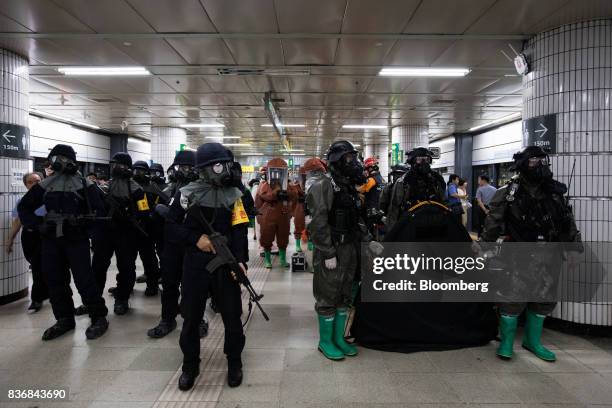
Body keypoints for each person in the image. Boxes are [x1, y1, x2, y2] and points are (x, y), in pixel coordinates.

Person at [481, 146, 581, 362]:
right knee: (511, 297)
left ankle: (533, 341)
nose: (540, 166)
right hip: (517, 254)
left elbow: (567, 222)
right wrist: (483, 248)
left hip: (550, 253)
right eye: (535, 162)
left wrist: (573, 249)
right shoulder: (508, 193)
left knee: (544, 297)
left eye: (543, 161)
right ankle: (507, 342)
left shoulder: (554, 193)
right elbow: (493, 223)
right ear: (524, 164)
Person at [167, 143, 249, 390]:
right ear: (204, 169)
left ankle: (234, 361)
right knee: (191, 317)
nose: (225, 169)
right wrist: (195, 239)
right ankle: (190, 365)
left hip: (226, 263)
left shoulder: (235, 194)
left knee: (232, 316)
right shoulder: (184, 194)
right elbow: (170, 227)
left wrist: (241, 260)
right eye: (218, 165)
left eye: (225, 164)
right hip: (195, 264)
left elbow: (240, 228)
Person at [17, 144, 108, 340]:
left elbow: (101, 212)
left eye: (61, 159)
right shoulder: (45, 185)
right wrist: (38, 224)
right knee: (55, 280)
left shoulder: (85, 185)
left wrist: (85, 226)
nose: (57, 163)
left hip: (76, 240)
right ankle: (64, 318)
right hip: (51, 239)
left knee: (84, 280)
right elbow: (24, 208)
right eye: (54, 160)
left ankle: (98, 316)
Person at [306, 140, 371, 361]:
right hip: (332, 250)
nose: (353, 163)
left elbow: (356, 219)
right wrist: (327, 252)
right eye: (348, 158)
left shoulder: (347, 185)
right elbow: (318, 222)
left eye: (354, 158)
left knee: (345, 294)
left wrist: (368, 240)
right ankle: (325, 341)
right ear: (336, 160)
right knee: (328, 294)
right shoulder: (322, 185)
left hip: (350, 248)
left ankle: (338, 338)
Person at [148, 150, 209, 339]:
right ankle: (168, 318)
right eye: (180, 167)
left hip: (192, 245)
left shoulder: (202, 189)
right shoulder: (170, 188)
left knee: (192, 287)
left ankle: (197, 320)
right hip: (171, 245)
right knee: (169, 284)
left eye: (188, 167)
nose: (184, 171)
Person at [105, 152, 151, 315]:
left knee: (126, 266)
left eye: (118, 165)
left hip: (127, 233)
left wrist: (133, 218)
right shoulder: (107, 186)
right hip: (107, 233)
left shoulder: (136, 190)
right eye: (114, 165)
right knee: (98, 266)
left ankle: (122, 297)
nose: (115, 168)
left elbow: (144, 212)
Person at [5, 172, 48, 312]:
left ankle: (37, 298)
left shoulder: (49, 198)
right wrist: (10, 240)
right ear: (25, 185)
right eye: (30, 182)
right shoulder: (22, 202)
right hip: (30, 237)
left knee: (41, 267)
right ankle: (42, 295)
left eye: (37, 181)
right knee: (37, 265)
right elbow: (17, 222)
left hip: (47, 236)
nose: (34, 184)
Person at [385, 148, 446, 228]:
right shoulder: (404, 181)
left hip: (433, 222)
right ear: (412, 161)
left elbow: (443, 201)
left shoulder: (436, 179)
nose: (424, 162)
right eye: (420, 159)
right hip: (411, 223)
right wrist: (393, 231)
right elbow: (394, 208)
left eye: (426, 159)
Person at [132, 160, 168, 296]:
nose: (138, 174)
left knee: (151, 257)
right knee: (129, 260)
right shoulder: (130, 186)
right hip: (134, 228)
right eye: (135, 170)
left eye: (141, 171)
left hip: (152, 227)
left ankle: (154, 282)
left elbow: (165, 202)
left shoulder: (153, 187)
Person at [256, 159, 297, 268]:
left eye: (281, 171)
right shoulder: (265, 184)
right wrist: (276, 192)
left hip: (283, 215)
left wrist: (286, 193)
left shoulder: (287, 185)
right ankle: (267, 259)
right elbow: (263, 196)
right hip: (268, 216)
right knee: (267, 237)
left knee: (283, 236)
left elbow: (294, 195)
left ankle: (282, 260)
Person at [292, 168, 307, 252]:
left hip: (309, 208)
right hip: (299, 208)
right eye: (302, 175)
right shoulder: (295, 187)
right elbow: (293, 199)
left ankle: (310, 243)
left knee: (311, 226)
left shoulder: (311, 185)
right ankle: (298, 245)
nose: (304, 177)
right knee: (298, 226)